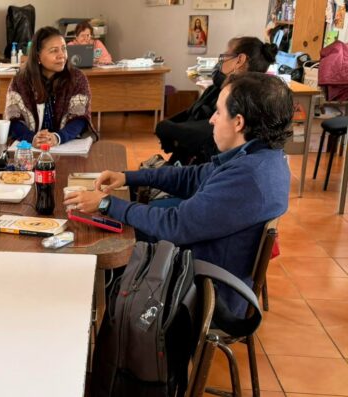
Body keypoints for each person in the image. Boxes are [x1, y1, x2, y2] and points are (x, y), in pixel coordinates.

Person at [64, 72, 292, 315]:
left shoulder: (247, 178)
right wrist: (129, 177)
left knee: (109, 241)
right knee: (121, 230)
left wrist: (108, 203)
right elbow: (191, 177)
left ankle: (108, 324)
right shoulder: (260, 157)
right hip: (208, 268)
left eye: (218, 112)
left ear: (238, 122)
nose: (212, 120)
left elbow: (175, 226)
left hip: (206, 291)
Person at [156, 36, 278, 165]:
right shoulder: (221, 87)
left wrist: (167, 128)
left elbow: (208, 131)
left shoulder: (240, 97)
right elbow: (193, 113)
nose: (222, 60)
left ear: (240, 60)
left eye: (226, 55)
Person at [5, 26, 97, 148]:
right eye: (54, 50)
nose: (61, 55)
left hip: (67, 145)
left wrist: (57, 137)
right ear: (38, 56)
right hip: (29, 149)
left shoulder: (77, 78)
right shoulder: (20, 80)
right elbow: (14, 119)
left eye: (64, 49)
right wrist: (31, 138)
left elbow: (80, 118)